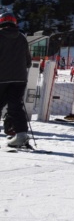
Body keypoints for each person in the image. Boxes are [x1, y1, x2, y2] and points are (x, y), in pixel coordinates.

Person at [0, 13, 33, 148]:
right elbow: (28, 61)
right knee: (15, 106)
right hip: (19, 79)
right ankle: (21, 135)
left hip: (1, 78)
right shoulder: (22, 38)